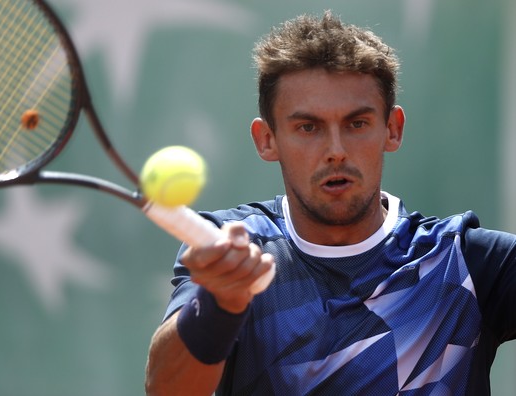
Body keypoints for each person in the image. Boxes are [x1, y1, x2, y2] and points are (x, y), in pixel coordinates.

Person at [145, 10, 516, 395]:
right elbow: (167, 389)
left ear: (392, 129)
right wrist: (220, 303)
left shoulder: (465, 260)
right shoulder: (232, 248)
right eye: (308, 128)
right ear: (267, 140)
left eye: (357, 124)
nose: (335, 151)